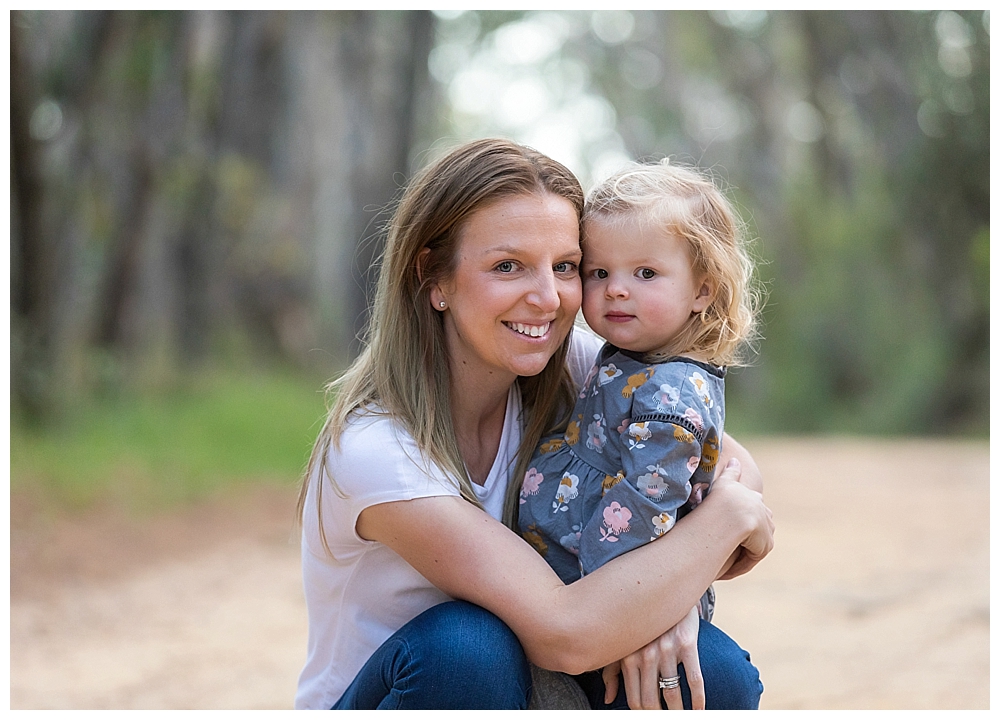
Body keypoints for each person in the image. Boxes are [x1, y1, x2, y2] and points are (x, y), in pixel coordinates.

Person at [294, 138, 774, 710]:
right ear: (434, 278)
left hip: (536, 693)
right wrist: (726, 525)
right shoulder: (378, 452)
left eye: (566, 267)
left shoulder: (570, 368)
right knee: (467, 646)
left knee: (710, 672)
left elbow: (725, 462)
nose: (547, 299)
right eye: (507, 266)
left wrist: (668, 600)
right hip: (425, 690)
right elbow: (566, 634)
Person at [517, 159, 761, 707]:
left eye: (645, 274)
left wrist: (616, 611)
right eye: (599, 273)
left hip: (610, 583)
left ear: (703, 290)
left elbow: (648, 506)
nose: (616, 291)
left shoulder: (670, 395)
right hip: (578, 578)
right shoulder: (629, 358)